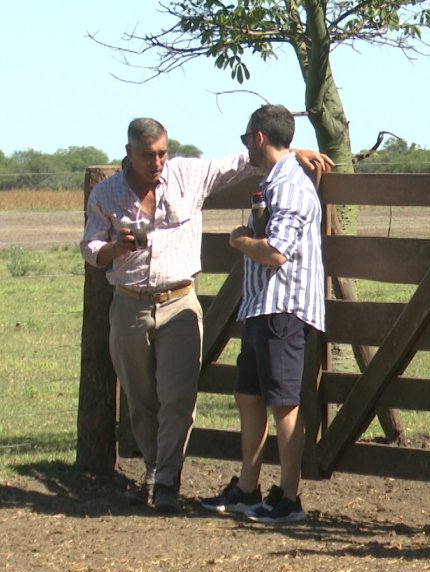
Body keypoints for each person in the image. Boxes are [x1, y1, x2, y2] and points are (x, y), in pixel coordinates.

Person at [82, 117, 332, 513]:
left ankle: (166, 481)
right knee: (140, 398)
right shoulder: (106, 193)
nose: (158, 161)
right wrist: (114, 249)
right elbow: (91, 246)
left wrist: (291, 153)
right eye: (149, 155)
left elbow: (240, 163)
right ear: (128, 152)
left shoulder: (188, 174)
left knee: (179, 397)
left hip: (180, 300)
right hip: (129, 301)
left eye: (163, 152)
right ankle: (159, 468)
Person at [200, 104, 325, 524]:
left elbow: (275, 252)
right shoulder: (277, 179)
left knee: (284, 403)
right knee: (249, 395)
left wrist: (238, 241)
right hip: (263, 306)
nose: (245, 148)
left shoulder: (290, 188)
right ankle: (248, 488)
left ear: (258, 138)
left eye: (245, 139)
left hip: (283, 306)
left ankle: (290, 499)